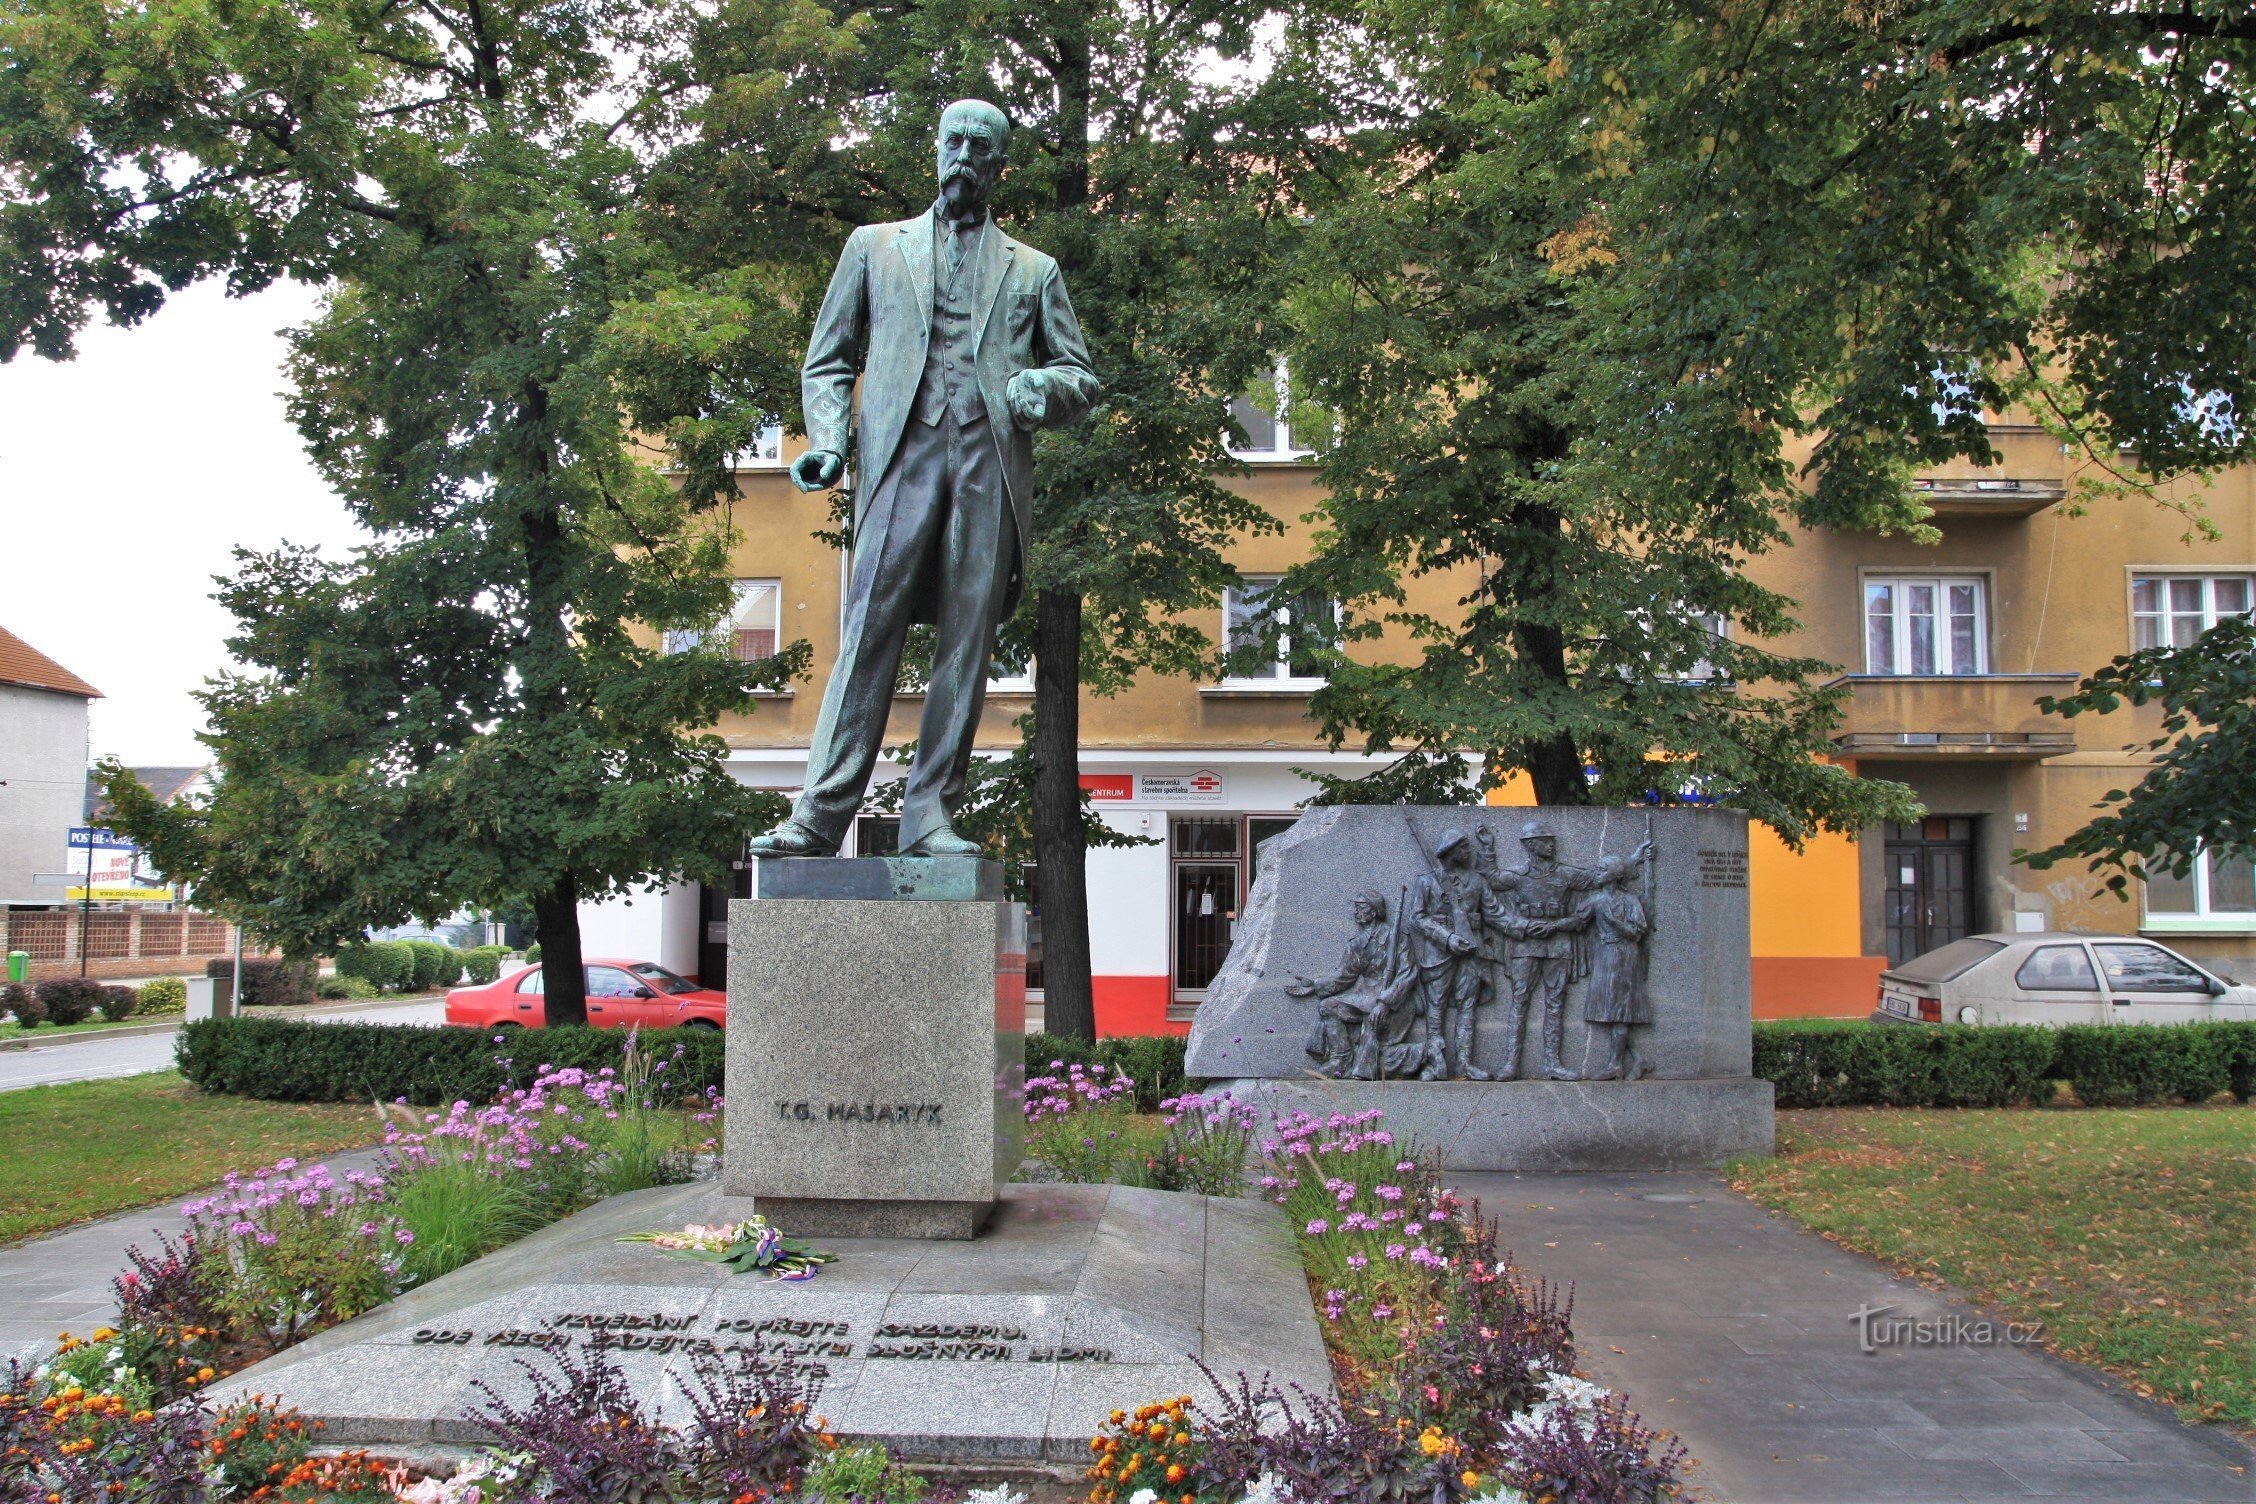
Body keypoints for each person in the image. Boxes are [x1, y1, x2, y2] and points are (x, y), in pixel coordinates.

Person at [748, 99, 1100, 858]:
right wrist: (831, 442)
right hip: (899, 463)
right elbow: (830, 361)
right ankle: (818, 815)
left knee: (966, 648)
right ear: (935, 148)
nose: (965, 155)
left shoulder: (1034, 270)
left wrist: (1044, 387)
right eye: (955, 141)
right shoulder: (874, 247)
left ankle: (930, 816)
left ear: (1000, 166)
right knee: (867, 633)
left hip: (988, 466)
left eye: (982, 146)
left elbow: (1081, 375)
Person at [1478, 820, 1603, 1080]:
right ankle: (1511, 1064)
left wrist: (1636, 859)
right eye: (1546, 841)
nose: (1551, 845)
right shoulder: (1516, 875)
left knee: (1556, 1003)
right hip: (1526, 942)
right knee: (1520, 1001)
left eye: (1552, 841)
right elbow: (1489, 880)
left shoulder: (1567, 874)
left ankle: (1553, 1064)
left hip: (1558, 942)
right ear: (1531, 845)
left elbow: (1598, 878)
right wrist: (1487, 847)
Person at [1285, 889, 1419, 1078]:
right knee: (1328, 1006)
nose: (1355, 912)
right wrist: (1315, 986)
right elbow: (1344, 976)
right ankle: (1341, 1058)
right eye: (1355, 908)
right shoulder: (1356, 943)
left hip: (1393, 1002)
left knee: (1372, 1024)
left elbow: (1407, 974)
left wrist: (1385, 1003)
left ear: (1373, 912)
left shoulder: (1396, 938)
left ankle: (1364, 1072)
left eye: (1360, 908)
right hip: (1364, 997)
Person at [1557, 849, 1655, 1080]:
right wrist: (1549, 926)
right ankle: (1639, 1059)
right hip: (1605, 956)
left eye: (1602, 870)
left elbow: (1638, 932)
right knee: (1613, 1010)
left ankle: (1615, 1065)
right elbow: (1576, 922)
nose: (1597, 873)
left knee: (1620, 1010)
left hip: (1625, 957)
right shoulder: (1596, 900)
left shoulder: (1630, 900)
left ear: (1614, 875)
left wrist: (1614, 921)